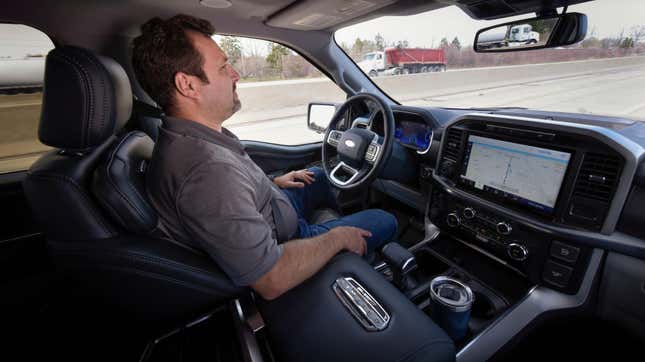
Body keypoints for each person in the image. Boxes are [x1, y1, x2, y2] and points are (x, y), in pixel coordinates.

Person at [131, 14, 397, 300]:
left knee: (319, 177)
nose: (236, 75)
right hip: (286, 244)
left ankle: (343, 242)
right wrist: (336, 239)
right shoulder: (207, 171)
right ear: (188, 85)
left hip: (271, 214)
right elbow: (271, 277)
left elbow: (232, 192)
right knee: (386, 219)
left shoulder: (191, 137)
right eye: (223, 68)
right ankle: (355, 264)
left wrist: (272, 184)